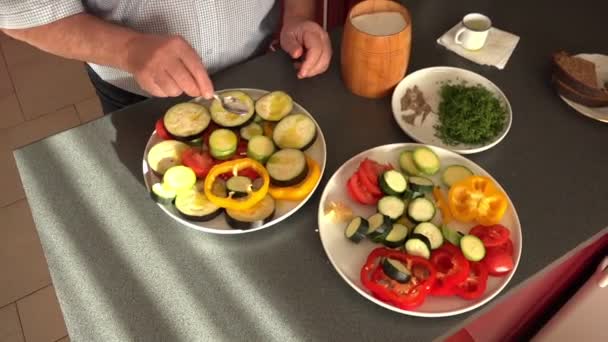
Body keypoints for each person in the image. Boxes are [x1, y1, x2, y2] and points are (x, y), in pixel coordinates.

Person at [0, 1, 332, 113]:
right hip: (138, 94)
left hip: (260, 66)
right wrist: (126, 49)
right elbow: (19, 12)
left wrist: (299, 15)